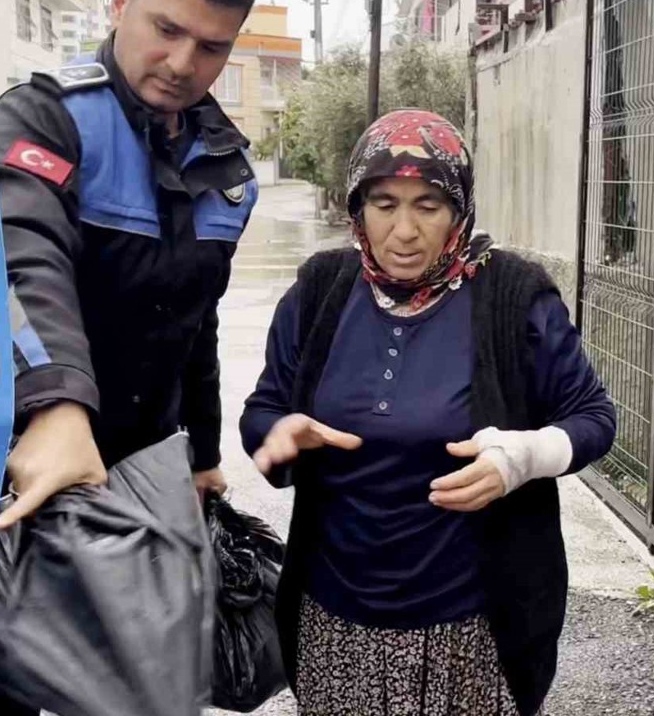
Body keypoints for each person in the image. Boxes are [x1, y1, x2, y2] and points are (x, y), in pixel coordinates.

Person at [239, 110, 618, 716]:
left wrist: (519, 458)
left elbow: (593, 417)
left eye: (429, 205)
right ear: (357, 207)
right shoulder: (319, 291)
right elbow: (265, 408)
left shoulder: (513, 296)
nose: (405, 230)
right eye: (385, 204)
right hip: (335, 619)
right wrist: (277, 433)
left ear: (460, 211)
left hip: (471, 629)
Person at [0, 0, 257, 713]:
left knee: (146, 684)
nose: (182, 64)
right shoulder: (46, 119)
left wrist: (204, 456)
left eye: (211, 48)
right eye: (167, 30)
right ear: (121, 6)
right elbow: (15, 259)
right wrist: (55, 406)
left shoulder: (227, 167)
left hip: (142, 471)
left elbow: (194, 323)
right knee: (6, 679)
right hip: (29, 460)